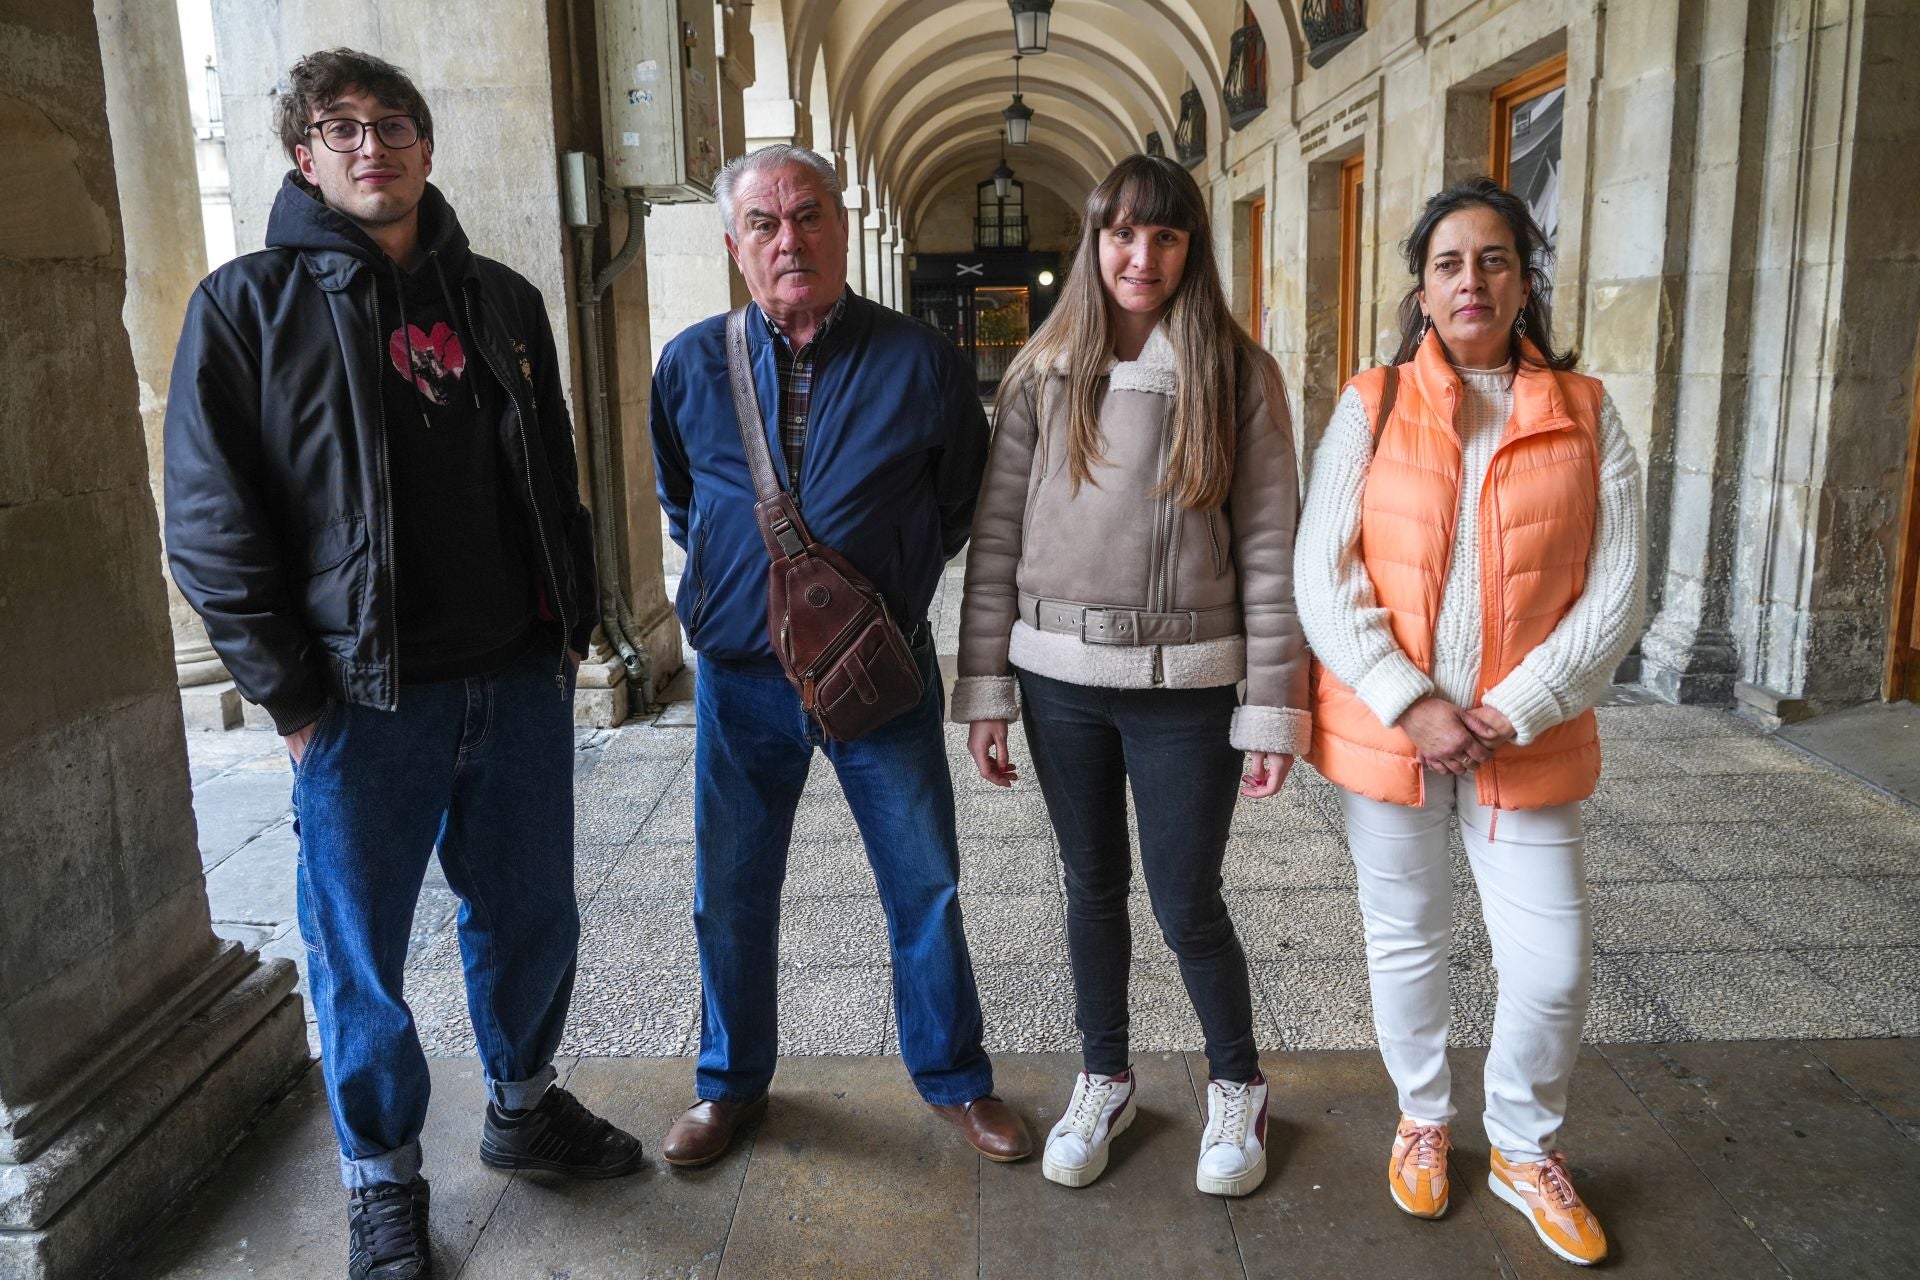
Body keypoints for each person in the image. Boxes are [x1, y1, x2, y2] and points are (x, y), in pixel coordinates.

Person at [164, 49, 641, 1280]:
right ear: (303, 157)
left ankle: (524, 1105)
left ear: (427, 147)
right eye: (339, 129)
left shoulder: (501, 298)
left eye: (393, 125)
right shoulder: (245, 307)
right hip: (362, 699)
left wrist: (569, 617)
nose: (370, 145)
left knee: (532, 914)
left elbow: (552, 475)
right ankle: (383, 1181)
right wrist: (290, 695)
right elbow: (211, 522)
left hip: (515, 671)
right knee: (360, 954)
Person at [647, 144, 1028, 1168]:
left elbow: (958, 504)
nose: (789, 239)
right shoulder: (689, 362)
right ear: (734, 246)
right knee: (729, 889)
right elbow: (684, 499)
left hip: (879, 672)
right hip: (738, 680)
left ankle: (953, 1078)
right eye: (764, 224)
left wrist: (875, 591)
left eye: (806, 215)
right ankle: (729, 1085)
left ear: (841, 223)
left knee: (925, 883)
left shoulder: (922, 361)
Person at [1294, 177, 1645, 1266]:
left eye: (1494, 258)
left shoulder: (1586, 409)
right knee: (1408, 938)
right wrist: (1412, 698)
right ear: (1422, 287)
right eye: (1450, 262)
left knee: (1550, 963)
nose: (1472, 280)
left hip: (1522, 733)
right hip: (1392, 726)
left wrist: (1516, 704)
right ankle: (1422, 1118)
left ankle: (1525, 1144)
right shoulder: (1375, 401)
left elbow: (1621, 584)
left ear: (1527, 276)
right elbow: (1324, 568)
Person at [952, 154, 1309, 1197]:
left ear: (1191, 249)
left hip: (1186, 687)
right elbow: (997, 540)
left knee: (1187, 899)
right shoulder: (1041, 370)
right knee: (1091, 888)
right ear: (1092, 241)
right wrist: (987, 690)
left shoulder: (1238, 374)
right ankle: (1103, 1074)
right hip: (1061, 677)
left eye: (1164, 237)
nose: (1139, 256)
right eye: (1121, 234)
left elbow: (1271, 551)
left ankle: (1238, 1082)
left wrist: (1272, 710)